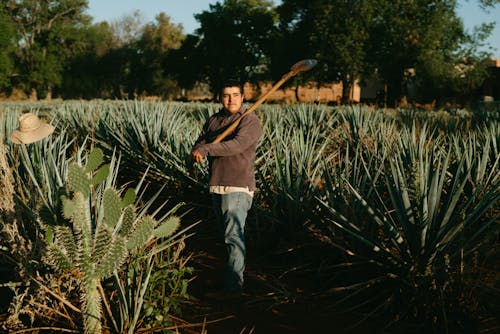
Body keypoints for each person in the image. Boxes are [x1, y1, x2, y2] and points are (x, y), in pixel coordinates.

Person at [191, 79, 262, 295]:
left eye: (235, 95)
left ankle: (233, 289)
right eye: (226, 95)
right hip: (217, 184)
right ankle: (228, 279)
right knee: (225, 236)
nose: (230, 99)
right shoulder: (214, 120)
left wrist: (207, 149)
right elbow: (199, 142)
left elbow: (236, 146)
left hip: (238, 186)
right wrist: (197, 151)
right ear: (220, 98)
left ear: (242, 97)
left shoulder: (250, 121)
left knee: (233, 237)